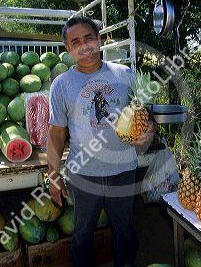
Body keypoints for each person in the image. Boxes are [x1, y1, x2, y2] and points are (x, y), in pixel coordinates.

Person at [46, 16, 156, 267]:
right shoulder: (62, 85)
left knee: (125, 231)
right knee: (82, 233)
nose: (84, 46)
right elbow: (57, 133)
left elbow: (145, 114)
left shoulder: (125, 74)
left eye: (88, 38)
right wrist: (53, 175)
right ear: (68, 49)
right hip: (83, 174)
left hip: (123, 169)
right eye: (76, 42)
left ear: (99, 40)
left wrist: (149, 128)